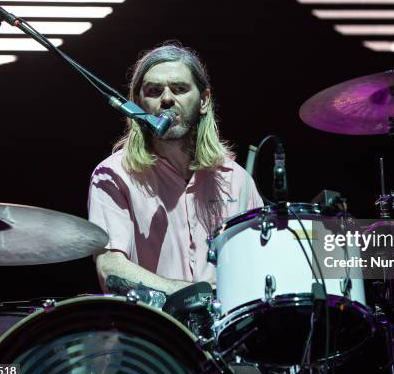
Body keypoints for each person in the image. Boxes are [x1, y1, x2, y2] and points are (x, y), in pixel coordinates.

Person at [88, 43, 263, 297]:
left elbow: (260, 263)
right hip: (154, 331)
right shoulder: (113, 175)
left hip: (226, 331)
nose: (167, 99)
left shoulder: (237, 179)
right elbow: (111, 269)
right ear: (138, 104)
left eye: (179, 89)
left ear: (204, 101)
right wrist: (186, 292)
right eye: (154, 91)